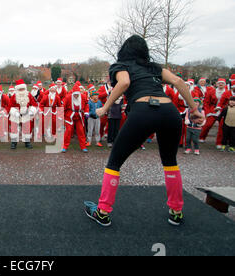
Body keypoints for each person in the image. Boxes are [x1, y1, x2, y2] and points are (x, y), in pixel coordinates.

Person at [84, 35, 204, 227]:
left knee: (114, 162)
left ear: (124, 50)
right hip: (169, 112)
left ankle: (103, 211)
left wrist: (104, 108)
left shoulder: (120, 66)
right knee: (170, 161)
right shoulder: (154, 67)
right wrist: (195, 110)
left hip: (143, 110)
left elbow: (124, 83)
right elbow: (179, 82)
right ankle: (176, 211)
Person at [8, 79, 38, 149]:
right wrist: (14, 112)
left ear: (25, 88)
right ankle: (14, 142)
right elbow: (10, 106)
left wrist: (31, 111)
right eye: (20, 89)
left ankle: (27, 142)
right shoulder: (14, 96)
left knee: (27, 128)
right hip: (16, 114)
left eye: (23, 88)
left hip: (26, 113)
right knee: (14, 128)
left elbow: (34, 104)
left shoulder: (29, 95)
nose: (21, 90)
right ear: (17, 89)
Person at [62, 85, 89, 152]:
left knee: (81, 131)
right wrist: (63, 116)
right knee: (68, 131)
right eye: (75, 94)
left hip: (79, 116)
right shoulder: (68, 97)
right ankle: (65, 146)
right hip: (69, 116)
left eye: (77, 94)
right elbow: (63, 107)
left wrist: (86, 112)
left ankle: (83, 147)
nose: (76, 96)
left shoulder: (83, 97)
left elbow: (86, 105)